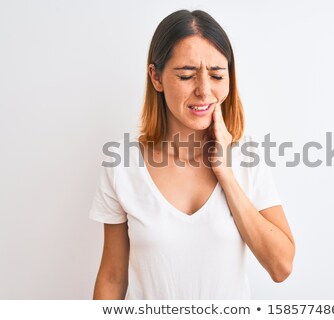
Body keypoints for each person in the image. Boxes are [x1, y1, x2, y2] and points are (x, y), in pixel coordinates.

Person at [89, 9, 295, 300]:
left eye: (216, 75)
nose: (204, 90)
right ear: (156, 78)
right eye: (186, 75)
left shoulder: (246, 157)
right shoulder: (122, 166)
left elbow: (281, 266)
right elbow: (112, 278)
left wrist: (225, 173)